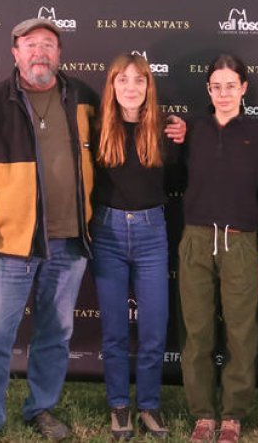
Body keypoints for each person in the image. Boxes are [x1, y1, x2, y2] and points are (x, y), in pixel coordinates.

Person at [0, 17, 97, 443]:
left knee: (55, 334)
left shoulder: (84, 98)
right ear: (15, 53)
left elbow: (117, 146)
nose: (41, 52)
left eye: (49, 44)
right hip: (9, 243)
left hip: (68, 241)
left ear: (60, 54)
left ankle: (41, 408)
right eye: (31, 44)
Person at [178, 54, 258, 443]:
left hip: (240, 240)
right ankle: (202, 413)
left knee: (241, 331)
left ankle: (232, 414)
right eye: (217, 86)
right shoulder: (192, 130)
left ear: (244, 88)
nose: (224, 93)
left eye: (231, 85)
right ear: (208, 90)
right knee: (197, 330)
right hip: (197, 238)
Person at [90, 53, 179, 439]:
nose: (131, 87)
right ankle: (118, 406)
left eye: (139, 81)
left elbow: (187, 177)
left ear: (148, 87)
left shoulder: (165, 129)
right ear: (111, 85)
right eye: (123, 80)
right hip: (107, 231)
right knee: (113, 329)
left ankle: (149, 405)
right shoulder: (95, 129)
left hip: (151, 232)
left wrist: (183, 133)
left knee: (154, 327)